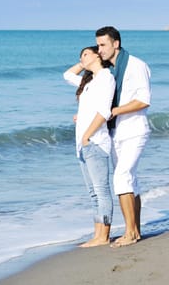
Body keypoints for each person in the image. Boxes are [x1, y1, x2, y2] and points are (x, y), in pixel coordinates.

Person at [95, 26, 151, 247]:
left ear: (115, 44)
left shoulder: (136, 65)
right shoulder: (108, 70)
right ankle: (135, 231)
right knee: (131, 181)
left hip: (134, 130)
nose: (99, 50)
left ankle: (129, 233)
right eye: (98, 45)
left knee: (122, 177)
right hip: (116, 133)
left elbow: (144, 100)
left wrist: (115, 111)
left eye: (103, 45)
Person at [63, 46, 116, 247]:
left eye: (85, 54)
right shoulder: (89, 82)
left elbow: (104, 111)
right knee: (93, 193)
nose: (81, 58)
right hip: (83, 144)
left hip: (94, 142)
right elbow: (67, 75)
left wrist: (87, 135)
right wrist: (83, 63)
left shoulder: (106, 78)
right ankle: (97, 235)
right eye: (80, 56)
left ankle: (104, 237)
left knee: (101, 191)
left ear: (98, 55)